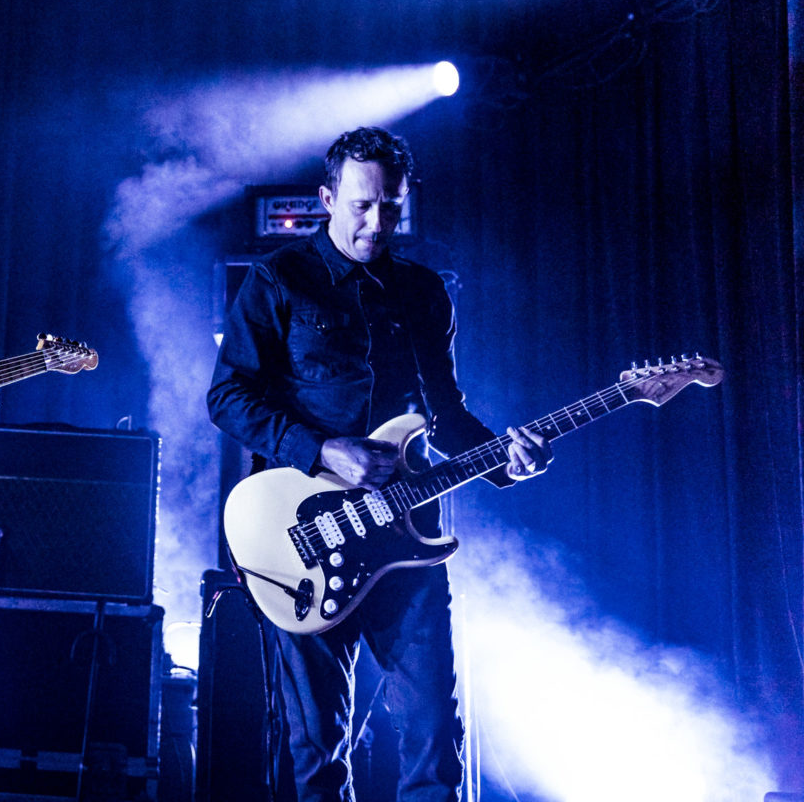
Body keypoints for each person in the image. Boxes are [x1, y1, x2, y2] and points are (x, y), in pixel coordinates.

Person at [206, 126, 552, 802]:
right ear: (327, 198)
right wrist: (323, 448)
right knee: (318, 758)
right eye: (361, 205)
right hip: (308, 539)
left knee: (434, 743)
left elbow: (446, 415)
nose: (376, 221)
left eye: (390, 206)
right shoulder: (280, 280)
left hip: (407, 540)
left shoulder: (424, 292)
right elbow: (227, 396)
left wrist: (507, 462)